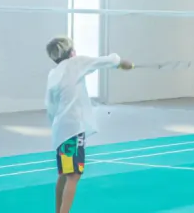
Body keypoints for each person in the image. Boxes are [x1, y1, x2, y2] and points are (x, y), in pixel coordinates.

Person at [45, 37, 134, 213]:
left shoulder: (53, 74)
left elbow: (50, 107)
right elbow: (105, 61)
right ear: (70, 52)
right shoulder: (75, 63)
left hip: (60, 130)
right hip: (73, 129)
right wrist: (123, 63)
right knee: (73, 176)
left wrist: (56, 126)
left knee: (63, 173)